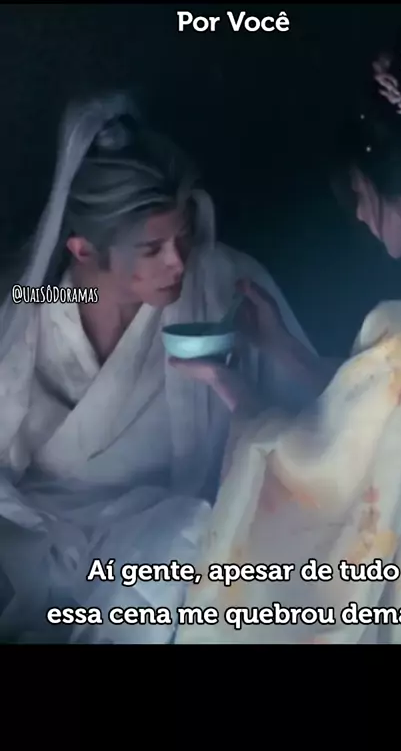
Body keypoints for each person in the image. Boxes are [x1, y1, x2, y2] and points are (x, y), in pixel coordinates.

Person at [172, 37, 401, 643]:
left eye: (360, 197)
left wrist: (233, 391)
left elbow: (318, 463)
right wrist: (281, 346)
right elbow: (387, 411)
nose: (360, 218)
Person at [0, 92, 314, 644]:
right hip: (44, 533)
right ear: (82, 249)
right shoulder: (34, 311)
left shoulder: (225, 285)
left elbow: (311, 417)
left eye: (182, 234)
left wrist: (271, 358)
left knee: (185, 544)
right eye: (151, 249)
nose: (178, 261)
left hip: (160, 530)